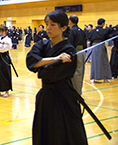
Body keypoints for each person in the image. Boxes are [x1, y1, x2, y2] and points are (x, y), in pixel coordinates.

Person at [26, 10, 88, 145]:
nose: (48, 28)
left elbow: (50, 73)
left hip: (63, 97)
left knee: (63, 133)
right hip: (45, 97)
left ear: (63, 28)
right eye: (46, 24)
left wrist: (41, 66)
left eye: (52, 25)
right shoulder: (42, 45)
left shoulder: (69, 50)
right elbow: (30, 62)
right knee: (45, 133)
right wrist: (55, 59)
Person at [88, 18, 113, 83]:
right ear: (103, 24)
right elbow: (108, 35)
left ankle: (94, 78)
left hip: (94, 46)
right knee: (103, 61)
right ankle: (105, 78)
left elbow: (90, 38)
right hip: (101, 46)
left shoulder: (93, 31)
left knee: (95, 62)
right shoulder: (104, 30)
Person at [68, 15, 87, 95]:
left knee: (74, 73)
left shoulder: (72, 31)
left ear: (70, 21)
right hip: (82, 52)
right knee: (80, 72)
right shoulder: (82, 31)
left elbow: (70, 44)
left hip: (75, 53)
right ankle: (78, 91)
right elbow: (85, 43)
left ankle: (74, 93)